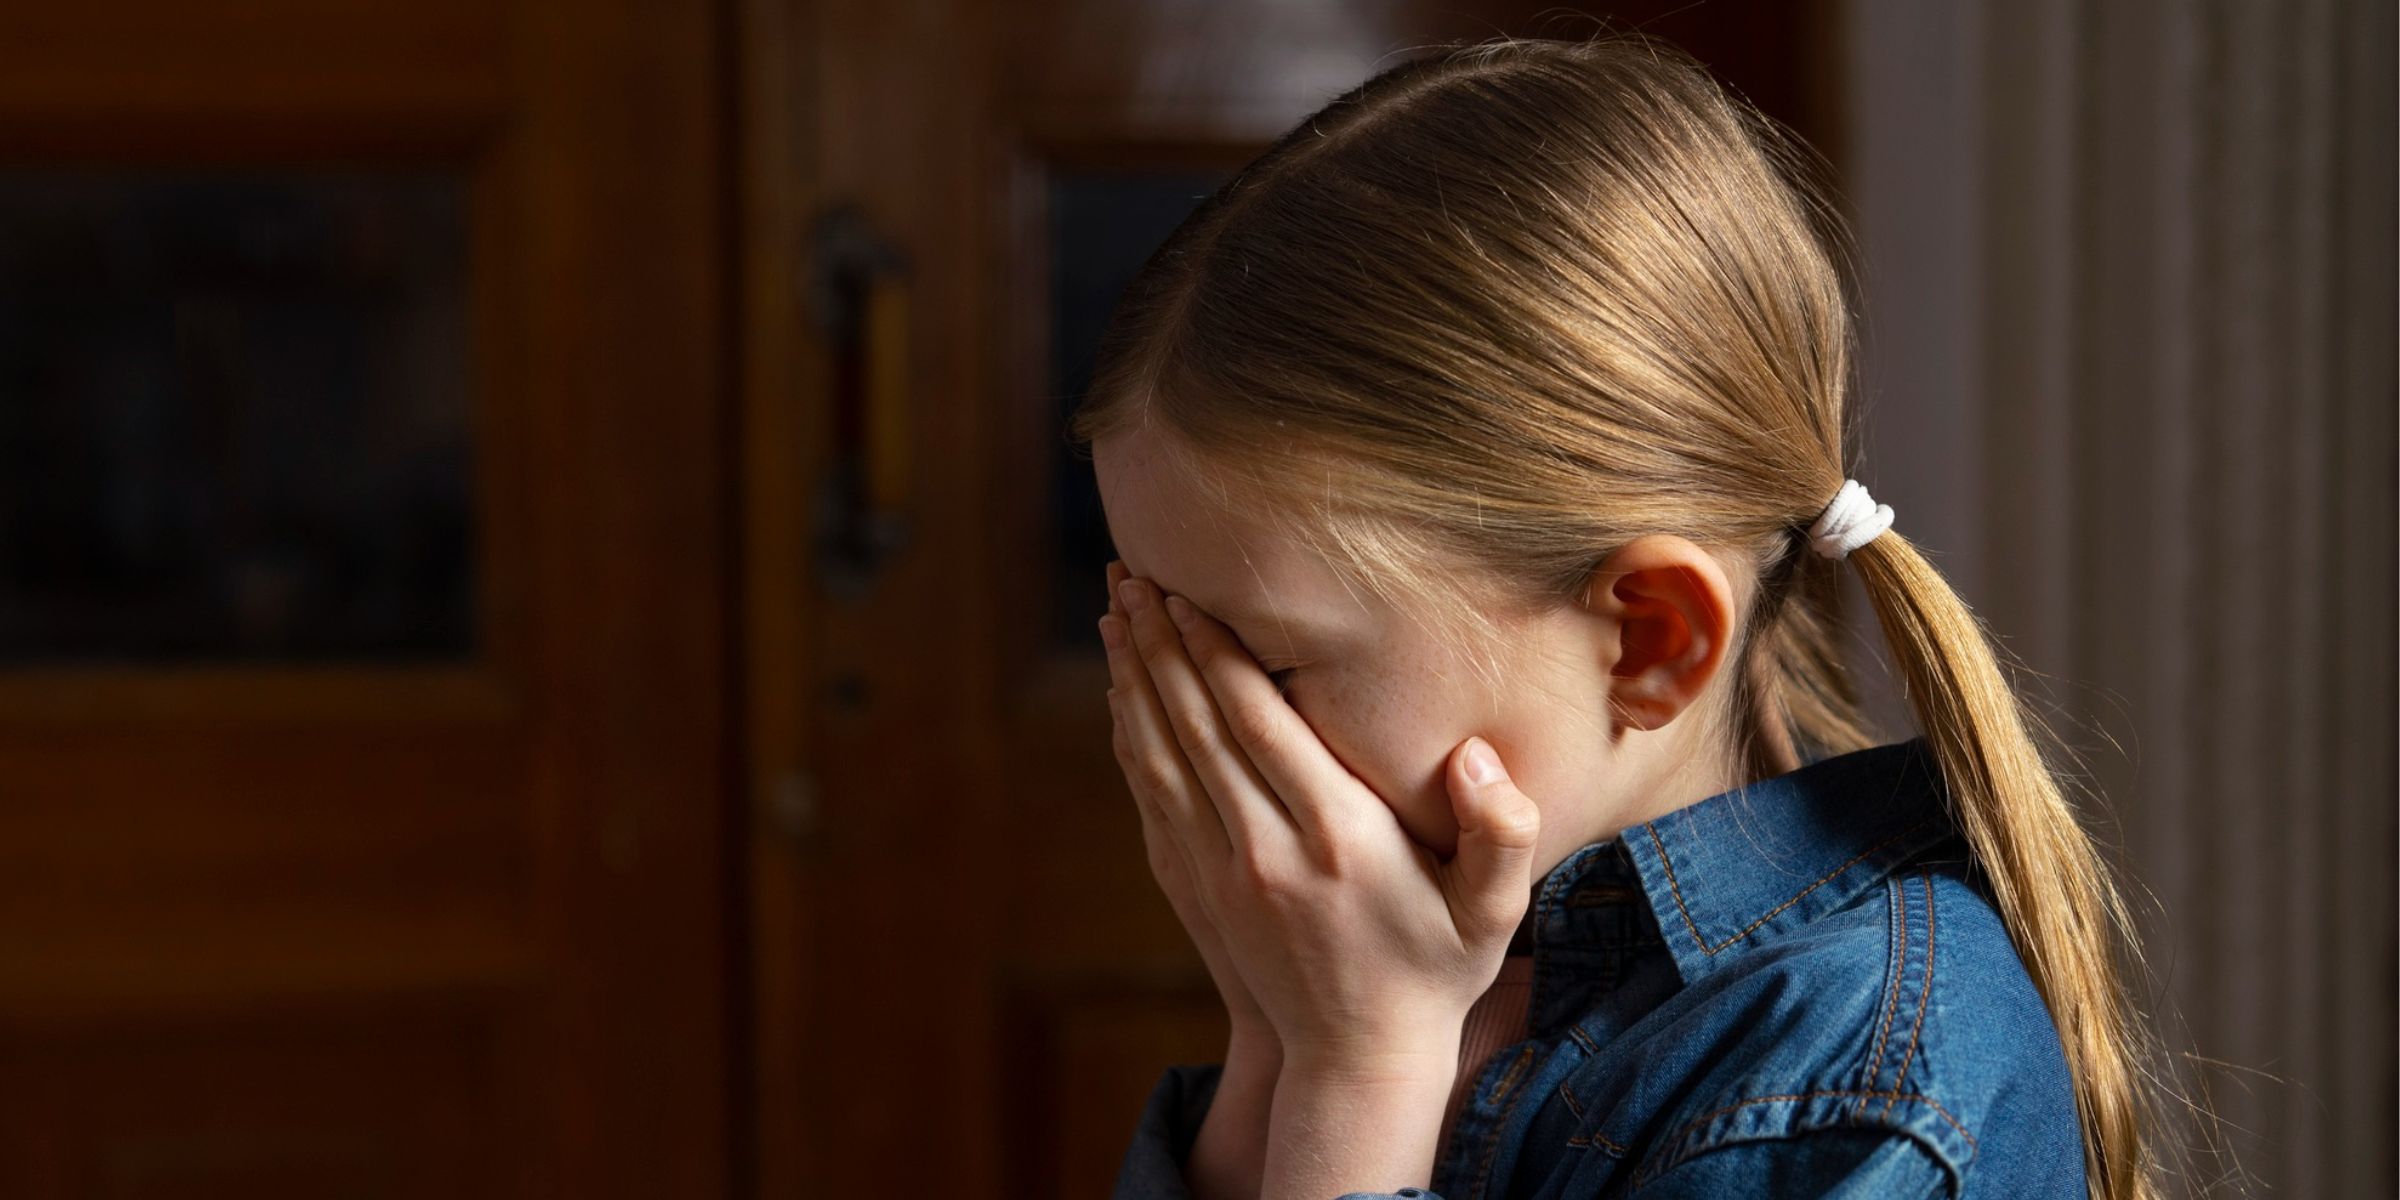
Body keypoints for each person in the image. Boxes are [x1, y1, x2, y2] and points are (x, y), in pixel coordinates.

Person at [1075, 32, 2168, 1200]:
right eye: (1159, 635)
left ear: (1649, 641)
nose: (1193, 723)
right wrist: (1274, 1041)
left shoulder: (1856, 1092)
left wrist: (1359, 1076)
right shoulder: (1412, 955)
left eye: (1269, 664)